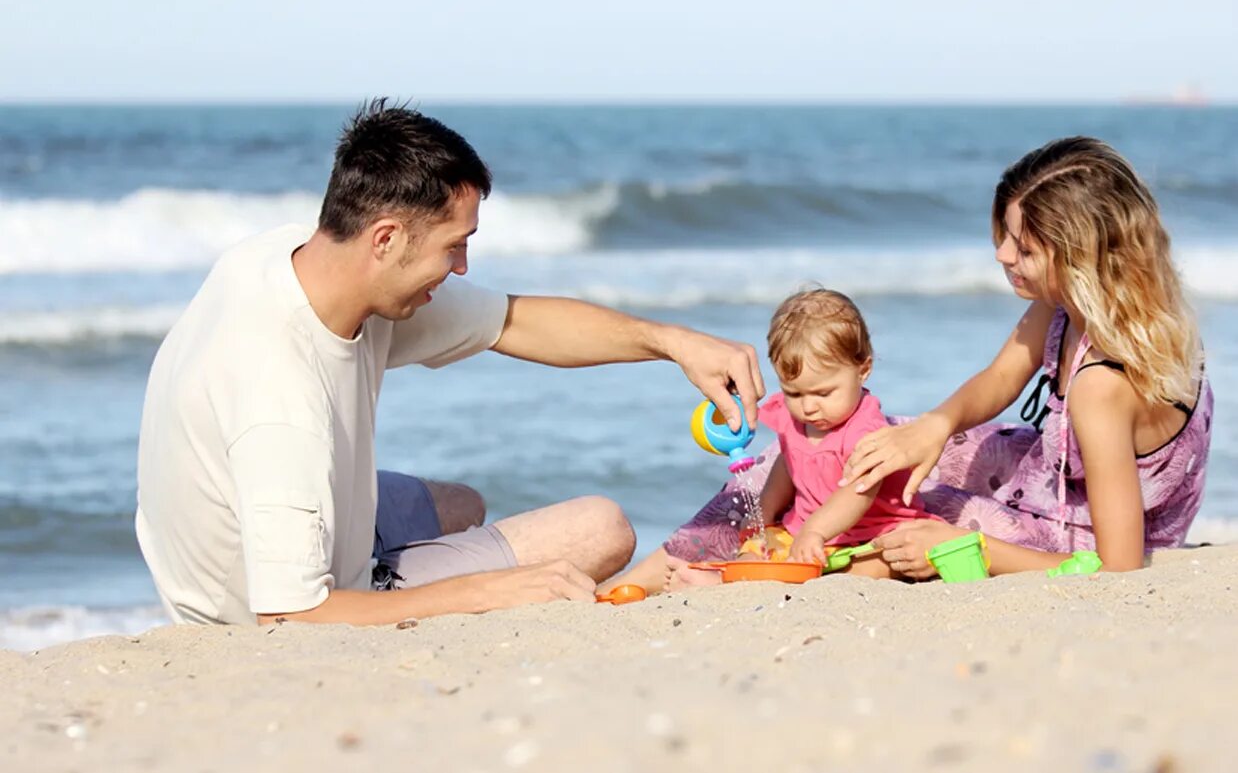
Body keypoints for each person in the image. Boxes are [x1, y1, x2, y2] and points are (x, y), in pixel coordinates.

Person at [135, 99, 765, 627]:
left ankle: (410, 567)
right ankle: (393, 583)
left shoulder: (291, 258)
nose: (461, 268)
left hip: (255, 519)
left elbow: (514, 321)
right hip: (249, 611)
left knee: (460, 504)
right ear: (385, 238)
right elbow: (291, 621)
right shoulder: (279, 403)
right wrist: (493, 593)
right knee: (601, 530)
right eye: (453, 247)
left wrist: (676, 343)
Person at [648, 136, 1212, 584]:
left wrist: (968, 549)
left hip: (1080, 535)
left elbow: (1120, 567)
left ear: (1082, 259)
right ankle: (702, 550)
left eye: (1025, 248)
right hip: (1047, 477)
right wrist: (935, 429)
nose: (1002, 255)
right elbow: (1001, 378)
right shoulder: (1068, 306)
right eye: (1004, 235)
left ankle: (735, 565)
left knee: (909, 517)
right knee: (847, 444)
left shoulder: (1103, 386)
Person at [605, 289, 942, 593]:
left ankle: (720, 586)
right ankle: (722, 576)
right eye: (794, 392)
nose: (809, 407)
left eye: (824, 392)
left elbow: (857, 492)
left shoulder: (865, 428)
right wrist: (765, 512)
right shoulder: (797, 418)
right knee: (760, 547)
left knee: (879, 565)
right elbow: (788, 464)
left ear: (863, 369)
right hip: (806, 532)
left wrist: (816, 532)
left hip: (871, 532)